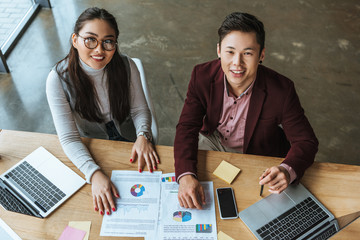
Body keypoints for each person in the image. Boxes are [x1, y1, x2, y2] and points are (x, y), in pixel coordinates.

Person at [174, 12, 318, 209]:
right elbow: (187, 127)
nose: (237, 63)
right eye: (230, 52)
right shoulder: (201, 75)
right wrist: (185, 175)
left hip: (259, 152)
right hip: (214, 141)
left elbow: (306, 141)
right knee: (203, 200)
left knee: (256, 207)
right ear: (218, 50)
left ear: (262, 55)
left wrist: (286, 170)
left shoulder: (282, 90)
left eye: (248, 53)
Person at [46, 7, 159, 216]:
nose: (99, 50)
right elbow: (70, 138)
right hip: (93, 148)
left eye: (108, 41)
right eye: (90, 40)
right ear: (75, 40)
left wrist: (143, 135)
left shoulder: (126, 66)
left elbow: (140, 110)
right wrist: (94, 173)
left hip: (132, 144)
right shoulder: (58, 79)